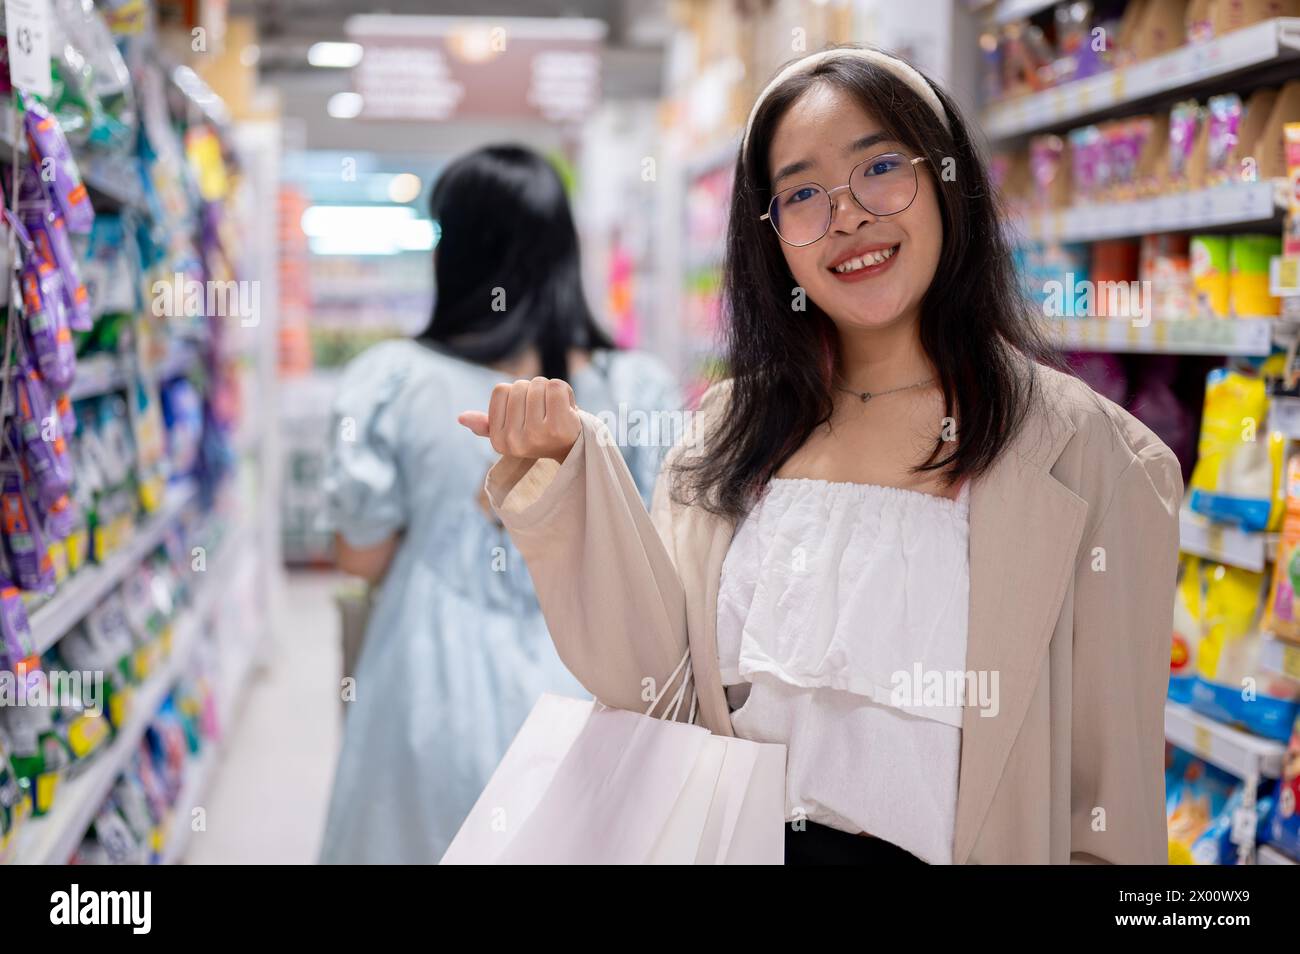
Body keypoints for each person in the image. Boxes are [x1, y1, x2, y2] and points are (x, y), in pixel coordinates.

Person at [460, 48, 1183, 865]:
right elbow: (654, 692)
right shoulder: (724, 434)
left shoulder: (1096, 461)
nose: (845, 216)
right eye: (801, 193)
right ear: (771, 239)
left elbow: (1111, 810)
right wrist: (567, 475)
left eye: (879, 167)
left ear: (947, 184)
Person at [319, 144, 680, 864]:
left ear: (455, 254)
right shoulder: (633, 389)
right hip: (594, 692)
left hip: (427, 692)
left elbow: (361, 555)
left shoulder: (392, 381)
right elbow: (664, 561)